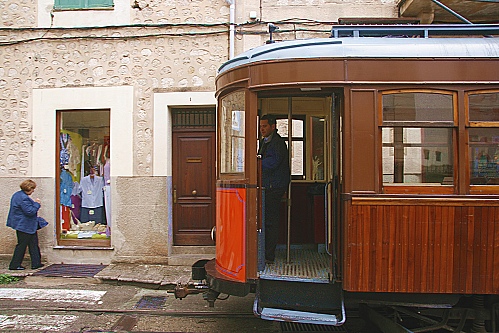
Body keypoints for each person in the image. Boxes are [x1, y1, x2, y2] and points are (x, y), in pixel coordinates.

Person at [258, 115, 291, 263]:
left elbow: (271, 164)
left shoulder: (277, 143)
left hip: (273, 187)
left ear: (273, 126)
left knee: (270, 221)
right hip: (269, 186)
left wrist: (255, 162)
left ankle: (268, 255)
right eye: (260, 126)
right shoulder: (266, 142)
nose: (262, 129)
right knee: (267, 221)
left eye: (264, 126)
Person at [6, 179, 45, 270]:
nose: (33, 191)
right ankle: (14, 265)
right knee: (22, 245)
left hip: (25, 225)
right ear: (29, 188)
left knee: (33, 244)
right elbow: (30, 211)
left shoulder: (17, 195)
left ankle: (36, 263)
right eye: (32, 189)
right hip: (24, 225)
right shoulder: (23, 198)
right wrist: (37, 204)